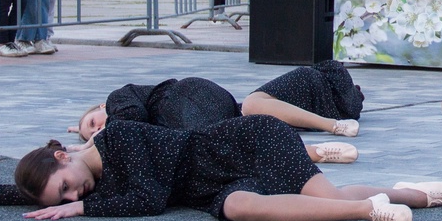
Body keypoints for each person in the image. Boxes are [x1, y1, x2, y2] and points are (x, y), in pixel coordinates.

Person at [0, 116, 442, 221]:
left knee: (323, 192)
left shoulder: (118, 140)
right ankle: (384, 203)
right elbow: (6, 194)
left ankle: (406, 196)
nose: (73, 194)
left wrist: (83, 206)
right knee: (239, 209)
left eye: (66, 185)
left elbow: (149, 197)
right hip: (216, 184)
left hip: (246, 141)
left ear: (64, 155)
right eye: (63, 197)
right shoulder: (80, 181)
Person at [72, 75, 358, 164]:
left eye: (93, 122)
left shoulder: (118, 99)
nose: (98, 128)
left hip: (186, 97)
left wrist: (91, 142)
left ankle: (328, 132)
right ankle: (316, 146)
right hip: (213, 114)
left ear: (100, 106)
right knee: (249, 111)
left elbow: (128, 119)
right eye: (92, 131)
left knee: (209, 147)